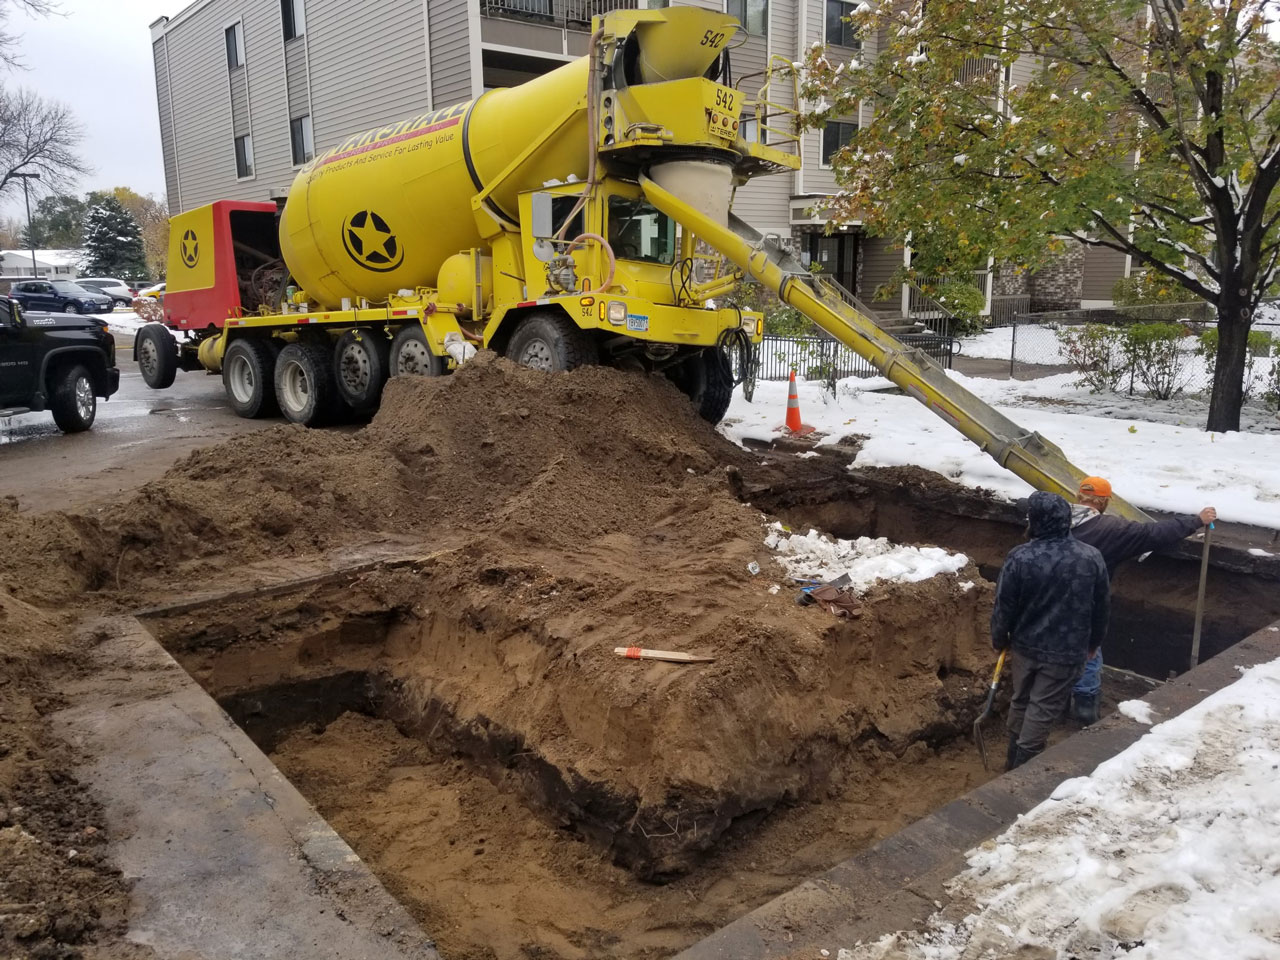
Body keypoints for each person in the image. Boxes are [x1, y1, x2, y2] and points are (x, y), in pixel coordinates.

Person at [1069, 476, 1216, 724]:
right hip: (1084, 607)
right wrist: (1196, 521)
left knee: (1048, 654)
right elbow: (1154, 533)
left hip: (1042, 600)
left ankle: (1050, 701)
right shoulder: (1111, 530)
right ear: (1105, 502)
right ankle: (1084, 710)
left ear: (1077, 497)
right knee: (1089, 656)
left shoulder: (1052, 518)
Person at [992, 491, 1110, 771]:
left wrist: (999, 638)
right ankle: (1020, 765)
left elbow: (1004, 606)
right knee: (1042, 707)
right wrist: (1094, 642)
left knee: (1022, 698)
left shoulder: (1019, 557)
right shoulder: (1090, 557)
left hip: (1024, 645)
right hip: (1066, 651)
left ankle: (1015, 760)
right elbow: (1102, 607)